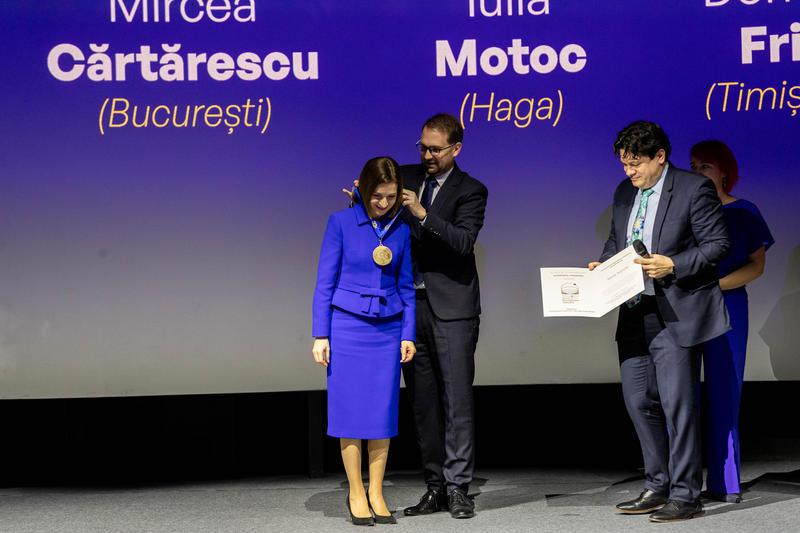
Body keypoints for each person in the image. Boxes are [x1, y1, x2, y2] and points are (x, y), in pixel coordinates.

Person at [589, 121, 730, 522]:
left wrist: (674, 264)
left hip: (676, 309)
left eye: (635, 163)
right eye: (624, 164)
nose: (628, 171)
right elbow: (617, 241)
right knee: (638, 401)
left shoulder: (693, 188)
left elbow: (718, 245)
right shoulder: (624, 192)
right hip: (634, 309)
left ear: (660, 157)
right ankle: (657, 485)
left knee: (677, 406)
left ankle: (686, 495)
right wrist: (604, 265)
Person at [312, 156, 416, 526]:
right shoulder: (340, 223)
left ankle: (377, 491)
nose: (383, 203)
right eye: (377, 196)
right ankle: (356, 491)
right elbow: (325, 282)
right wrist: (320, 334)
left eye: (390, 197)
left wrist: (408, 334)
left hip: (387, 331)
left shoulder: (401, 229)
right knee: (350, 412)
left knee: (381, 412)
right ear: (364, 189)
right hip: (347, 329)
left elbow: (406, 287)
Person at [399, 113, 487, 520]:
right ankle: (434, 487)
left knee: (456, 402)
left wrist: (421, 213)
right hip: (409, 307)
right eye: (423, 147)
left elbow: (463, 242)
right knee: (423, 404)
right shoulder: (404, 176)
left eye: (436, 149)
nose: (427, 155)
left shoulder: (471, 190)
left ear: (456, 148)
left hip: (452, 310)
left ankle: (458, 488)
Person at [690, 140, 774, 503]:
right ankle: (683, 484)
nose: (698, 173)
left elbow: (757, 265)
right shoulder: (685, 210)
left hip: (728, 305)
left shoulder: (744, 211)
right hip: (687, 306)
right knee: (682, 396)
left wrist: (716, 286)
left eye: (705, 166)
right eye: (693, 167)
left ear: (724, 171)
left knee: (725, 392)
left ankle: (725, 482)